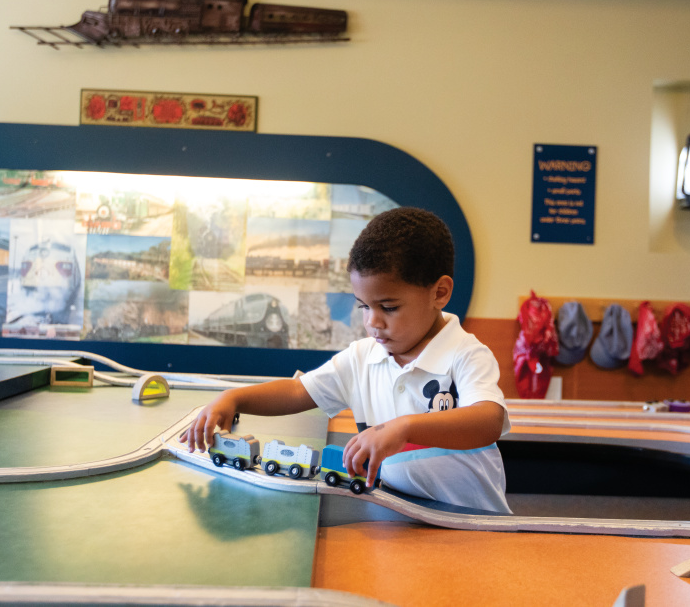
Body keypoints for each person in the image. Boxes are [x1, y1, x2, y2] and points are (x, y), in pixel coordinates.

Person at [179, 206, 512, 513]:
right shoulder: (361, 358)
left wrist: (403, 427)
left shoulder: (465, 354)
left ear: (439, 293)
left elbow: (488, 421)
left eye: (389, 307)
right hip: (397, 515)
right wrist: (233, 399)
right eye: (364, 306)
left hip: (472, 524)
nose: (372, 322)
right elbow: (298, 391)